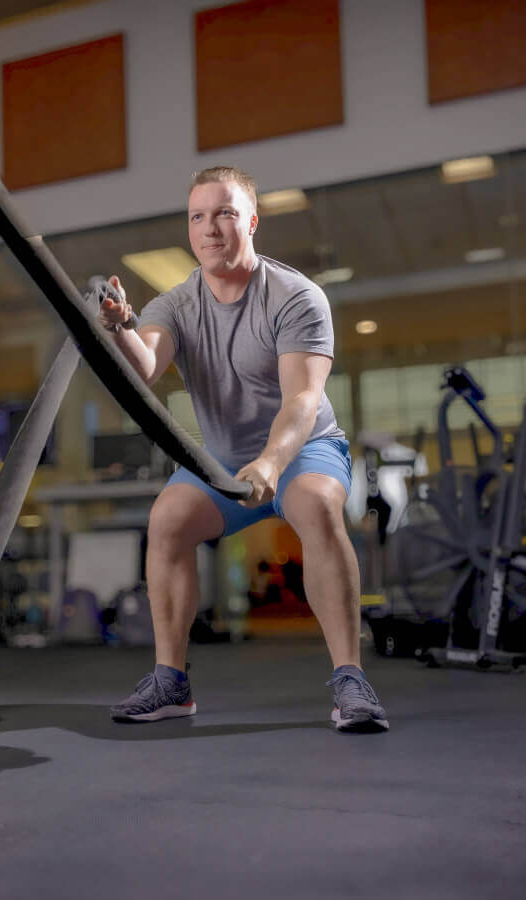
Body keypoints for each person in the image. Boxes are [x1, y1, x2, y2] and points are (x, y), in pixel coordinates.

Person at [98, 167, 389, 732]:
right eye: (198, 216)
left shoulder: (296, 296)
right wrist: (119, 327)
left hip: (303, 448)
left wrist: (273, 462)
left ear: (251, 221)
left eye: (225, 213)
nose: (210, 228)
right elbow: (147, 365)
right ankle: (170, 682)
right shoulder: (176, 303)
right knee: (168, 521)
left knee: (317, 508)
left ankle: (350, 678)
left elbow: (303, 399)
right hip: (223, 459)